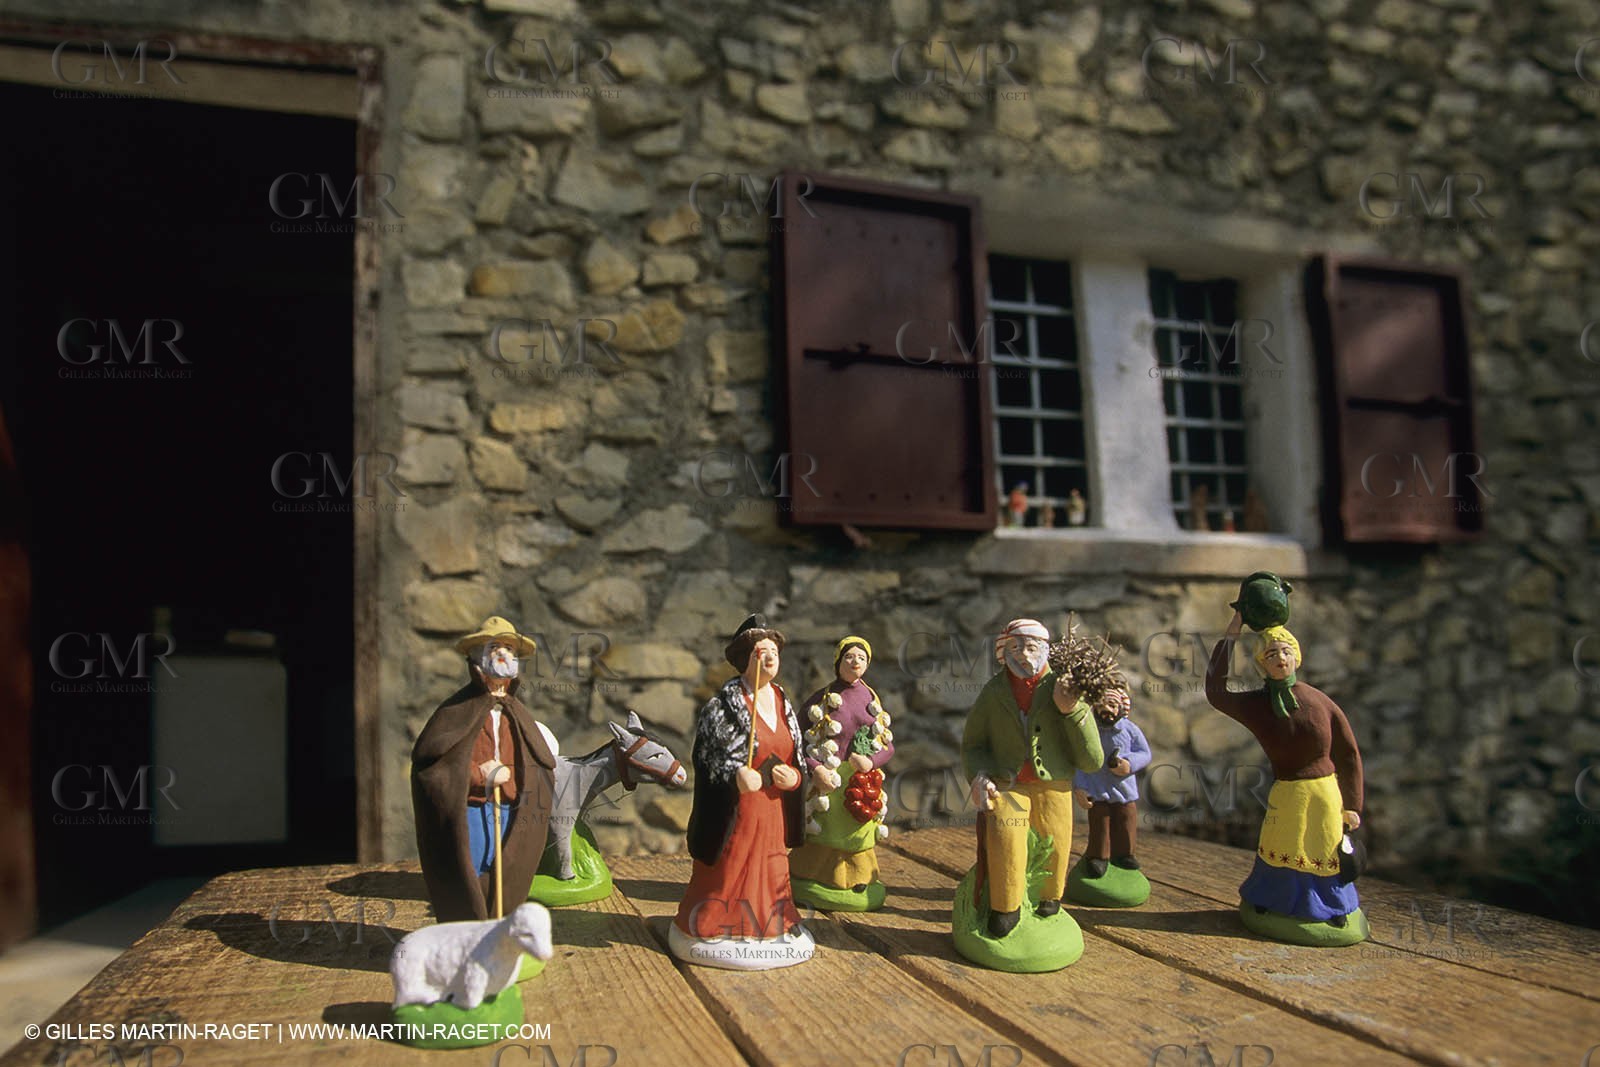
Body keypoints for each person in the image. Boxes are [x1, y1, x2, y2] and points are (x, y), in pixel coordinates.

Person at [1205, 609, 1366, 942]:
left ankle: (1334, 906)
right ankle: (1271, 901)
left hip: (1324, 793)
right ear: (1262, 664)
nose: (1280, 658)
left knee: (1324, 847)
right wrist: (1232, 633)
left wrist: (1352, 805)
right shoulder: (1258, 705)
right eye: (1271, 654)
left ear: (1297, 657)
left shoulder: (1319, 702)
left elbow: (1348, 753)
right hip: (1287, 793)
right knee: (1281, 846)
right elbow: (1216, 693)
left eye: (1285, 651)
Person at [671, 614, 818, 968]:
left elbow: (795, 754)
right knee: (732, 864)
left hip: (772, 810)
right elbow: (706, 756)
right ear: (744, 659)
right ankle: (712, 924)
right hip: (737, 812)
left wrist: (794, 778)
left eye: (773, 652)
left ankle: (771, 923)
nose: (769, 659)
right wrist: (735, 774)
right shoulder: (723, 706)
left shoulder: (782, 701)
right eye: (760, 653)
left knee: (772, 865)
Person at [961, 618, 1103, 938]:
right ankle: (1006, 907)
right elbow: (974, 745)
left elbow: (1092, 760)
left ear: (1046, 650)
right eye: (1015, 647)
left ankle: (1048, 898)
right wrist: (979, 775)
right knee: (1006, 835)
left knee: (1055, 837)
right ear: (1003, 652)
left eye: (1032, 647)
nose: (1024, 654)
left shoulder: (1064, 688)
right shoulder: (993, 692)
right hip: (1007, 784)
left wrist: (1071, 710)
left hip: (1053, 782)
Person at [412, 616, 558, 922]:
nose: (503, 653)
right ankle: (471, 927)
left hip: (510, 809)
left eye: (509, 648)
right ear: (476, 657)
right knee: (473, 867)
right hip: (471, 808)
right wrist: (481, 775)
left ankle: (499, 927)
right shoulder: (455, 711)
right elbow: (433, 767)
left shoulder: (518, 714)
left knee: (507, 867)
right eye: (494, 647)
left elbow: (539, 764)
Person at [789, 636, 894, 910]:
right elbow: (796, 740)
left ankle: (859, 879)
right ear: (838, 661)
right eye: (849, 656)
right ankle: (811, 877)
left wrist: (871, 761)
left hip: (862, 783)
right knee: (826, 831)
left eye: (861, 657)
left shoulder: (871, 700)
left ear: (868, 663)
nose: (855, 661)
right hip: (829, 782)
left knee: (858, 832)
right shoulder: (822, 701)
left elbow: (888, 745)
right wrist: (815, 769)